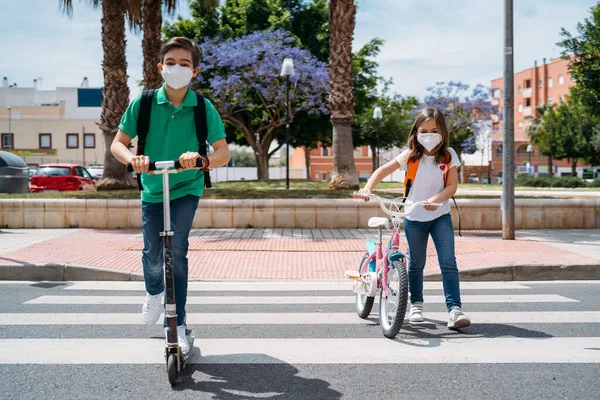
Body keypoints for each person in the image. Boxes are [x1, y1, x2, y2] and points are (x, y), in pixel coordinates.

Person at [111, 37, 231, 353]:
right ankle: (153, 292)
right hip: (152, 188)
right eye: (172, 63)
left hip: (186, 186)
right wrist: (132, 160)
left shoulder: (203, 108)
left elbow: (223, 153)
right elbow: (118, 143)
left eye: (185, 64)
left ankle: (175, 324)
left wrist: (203, 160)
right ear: (160, 67)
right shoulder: (144, 103)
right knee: (153, 253)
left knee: (176, 249)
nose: (178, 68)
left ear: (196, 70)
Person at [358, 107, 470, 329]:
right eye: (424, 130)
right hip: (413, 217)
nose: (429, 135)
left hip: (441, 216)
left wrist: (436, 199)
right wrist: (368, 187)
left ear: (443, 131)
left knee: (448, 262)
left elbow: (452, 186)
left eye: (434, 130)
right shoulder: (410, 155)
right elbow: (382, 170)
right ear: (416, 132)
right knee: (416, 264)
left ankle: (455, 310)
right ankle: (416, 304)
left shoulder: (449, 155)